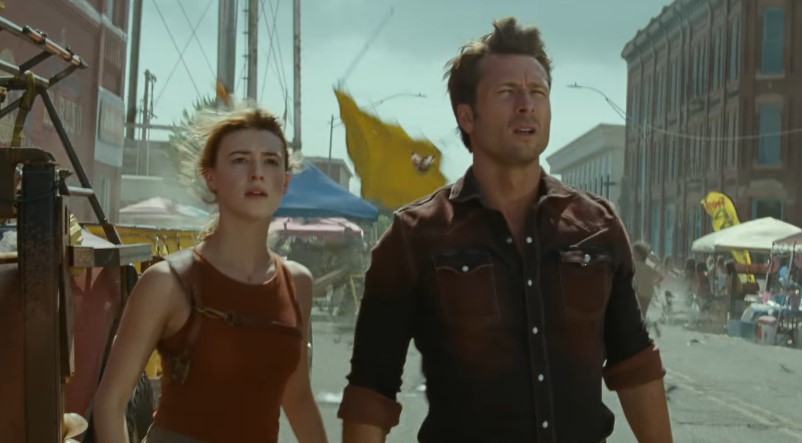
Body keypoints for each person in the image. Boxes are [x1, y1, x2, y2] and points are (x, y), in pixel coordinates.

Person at [337, 17, 672, 443]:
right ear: (467, 116)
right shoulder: (414, 237)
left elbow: (635, 366)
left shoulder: (598, 226)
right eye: (507, 92)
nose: (526, 105)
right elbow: (371, 392)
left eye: (538, 92)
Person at [94, 105, 328, 443]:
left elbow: (298, 397)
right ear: (211, 176)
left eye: (270, 161)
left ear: (286, 181)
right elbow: (110, 402)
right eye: (240, 160)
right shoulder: (168, 282)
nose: (257, 173)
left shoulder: (296, 284)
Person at [632, 241, 663, 318]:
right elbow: (661, 274)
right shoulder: (648, 264)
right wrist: (654, 283)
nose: (632, 255)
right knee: (643, 313)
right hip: (648, 292)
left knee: (638, 314)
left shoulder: (636, 265)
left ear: (638, 255)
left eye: (633, 253)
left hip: (639, 293)